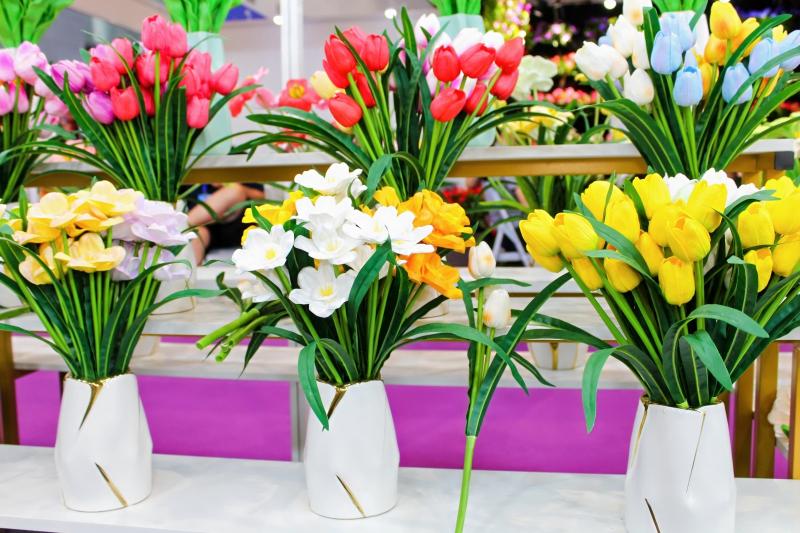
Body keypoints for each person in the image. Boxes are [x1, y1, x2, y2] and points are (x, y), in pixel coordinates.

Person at [187, 183, 265, 263]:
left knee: (234, 190)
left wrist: (237, 188)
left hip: (236, 224)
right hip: (201, 227)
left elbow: (264, 198)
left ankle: (182, 226)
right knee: (195, 234)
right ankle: (184, 226)